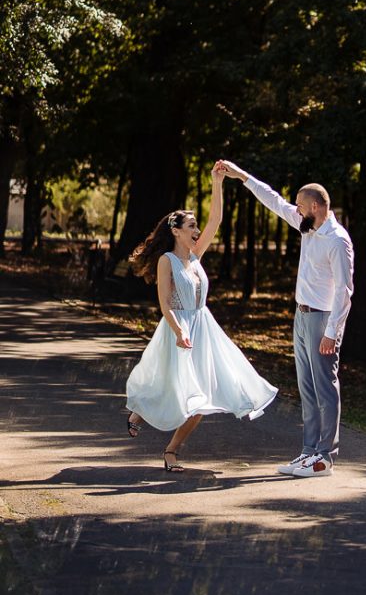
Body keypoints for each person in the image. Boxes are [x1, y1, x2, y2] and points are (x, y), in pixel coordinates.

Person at [124, 163, 278, 472]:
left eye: (197, 226)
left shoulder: (195, 256)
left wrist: (217, 182)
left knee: (199, 396)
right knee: (182, 393)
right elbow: (165, 304)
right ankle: (153, 428)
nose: (197, 231)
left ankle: (166, 443)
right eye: (191, 226)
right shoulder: (167, 261)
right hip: (178, 330)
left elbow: (217, 219)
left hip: (204, 329)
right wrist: (179, 331)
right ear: (176, 231)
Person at [216, 159, 353, 478]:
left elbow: (344, 291)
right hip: (301, 315)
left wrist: (332, 332)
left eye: (302, 207)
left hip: (323, 320)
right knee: (306, 388)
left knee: (325, 388)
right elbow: (274, 200)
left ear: (317, 207)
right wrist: (241, 176)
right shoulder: (307, 225)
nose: (297, 211)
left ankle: (324, 457)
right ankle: (308, 452)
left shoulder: (337, 239)